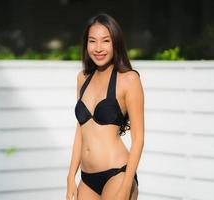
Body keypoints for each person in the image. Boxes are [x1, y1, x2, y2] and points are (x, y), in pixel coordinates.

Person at [66, 13, 144, 200]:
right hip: (87, 179)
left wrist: (126, 186)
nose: (98, 48)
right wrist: (70, 176)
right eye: (93, 41)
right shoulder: (83, 78)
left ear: (115, 43)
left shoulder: (129, 79)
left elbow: (139, 138)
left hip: (117, 175)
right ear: (86, 45)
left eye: (105, 41)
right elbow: (80, 132)